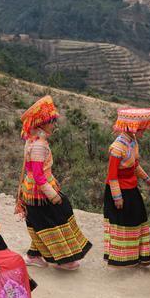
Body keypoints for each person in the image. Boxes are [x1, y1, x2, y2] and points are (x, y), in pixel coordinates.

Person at [16, 95, 91, 270]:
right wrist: (53, 195)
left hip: (34, 190)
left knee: (41, 221)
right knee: (56, 218)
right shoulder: (39, 145)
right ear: (41, 123)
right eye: (51, 121)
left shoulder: (33, 140)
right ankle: (64, 259)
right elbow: (38, 176)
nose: (53, 124)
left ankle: (34, 255)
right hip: (40, 192)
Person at [103, 107, 150, 266]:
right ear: (132, 127)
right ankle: (121, 257)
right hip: (119, 190)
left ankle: (138, 256)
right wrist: (117, 197)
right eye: (141, 128)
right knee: (124, 221)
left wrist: (146, 178)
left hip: (131, 187)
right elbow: (112, 175)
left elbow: (134, 165)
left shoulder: (132, 142)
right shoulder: (117, 148)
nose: (143, 131)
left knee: (138, 217)